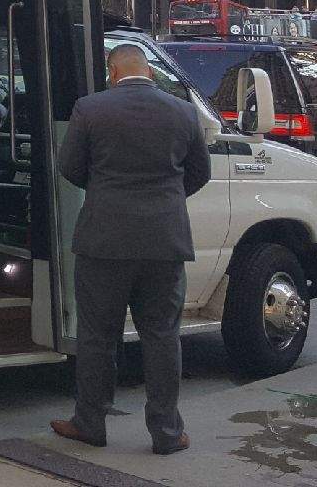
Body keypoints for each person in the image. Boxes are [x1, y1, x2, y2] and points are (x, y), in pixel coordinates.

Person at [51, 43, 210, 457]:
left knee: (97, 337)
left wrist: (107, 194)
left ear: (112, 72)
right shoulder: (182, 111)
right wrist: (164, 200)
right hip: (165, 242)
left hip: (104, 242)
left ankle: (89, 423)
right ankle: (167, 432)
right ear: (150, 72)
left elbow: (69, 168)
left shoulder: (90, 109)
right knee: (162, 337)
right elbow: (199, 173)